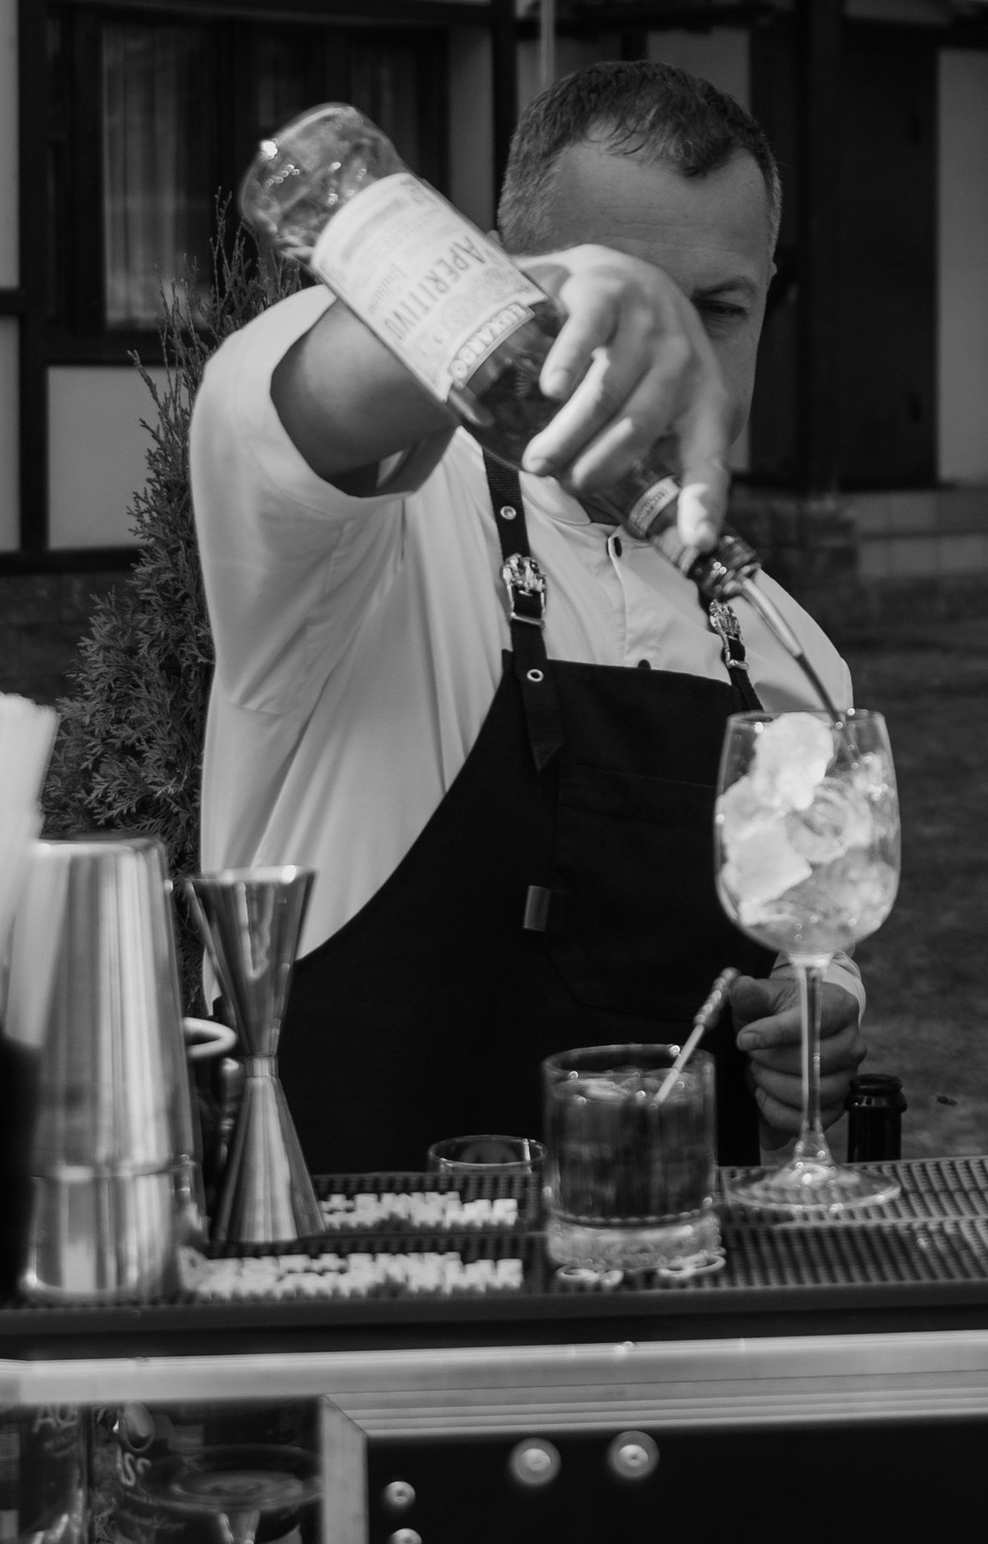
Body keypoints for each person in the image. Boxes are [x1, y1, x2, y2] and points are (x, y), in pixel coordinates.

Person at [191, 59, 860, 1169]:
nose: (674, 356)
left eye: (719, 310)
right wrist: (531, 298)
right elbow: (290, 405)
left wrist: (816, 1027)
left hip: (676, 1294)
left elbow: (812, 944)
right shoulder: (373, 533)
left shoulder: (798, 659)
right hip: (363, 1287)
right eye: (631, 301)